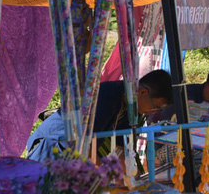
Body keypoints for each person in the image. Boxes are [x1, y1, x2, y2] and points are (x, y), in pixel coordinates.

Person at [27, 69, 173, 161]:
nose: (153, 112)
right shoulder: (106, 96)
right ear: (142, 93)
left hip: (74, 153)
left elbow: (119, 149)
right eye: (155, 107)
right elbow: (88, 147)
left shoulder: (133, 111)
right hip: (52, 146)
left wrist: (131, 179)